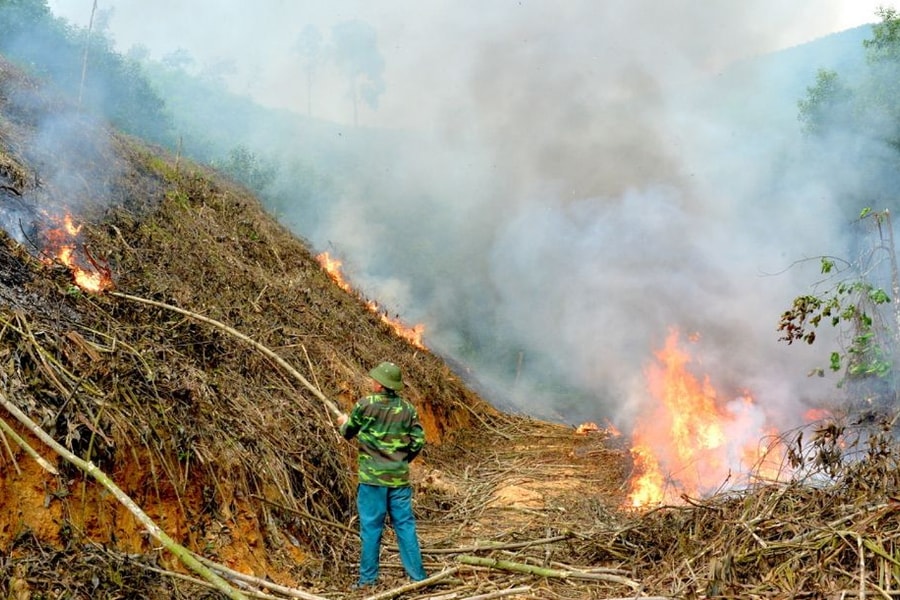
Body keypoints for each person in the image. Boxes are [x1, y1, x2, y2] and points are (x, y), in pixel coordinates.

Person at [337, 361, 427, 589]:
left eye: (375, 379)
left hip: (372, 481)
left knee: (371, 528)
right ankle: (418, 577)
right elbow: (418, 441)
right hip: (399, 480)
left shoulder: (364, 404)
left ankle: (367, 581)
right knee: (405, 526)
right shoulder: (408, 409)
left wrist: (343, 422)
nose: (372, 381)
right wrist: (402, 460)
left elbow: (348, 432)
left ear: (379, 385)